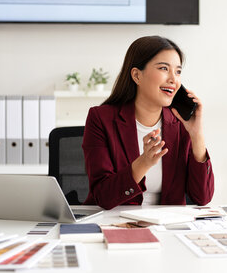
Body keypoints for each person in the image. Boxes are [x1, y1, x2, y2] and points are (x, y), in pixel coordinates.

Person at [82, 35, 214, 209]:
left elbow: (202, 197)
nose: (173, 79)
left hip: (165, 226)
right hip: (113, 221)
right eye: (164, 68)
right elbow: (103, 196)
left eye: (178, 71)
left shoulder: (180, 123)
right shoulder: (100, 119)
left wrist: (197, 136)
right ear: (137, 75)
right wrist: (143, 163)